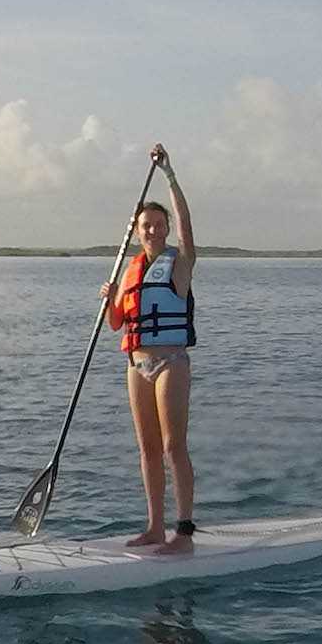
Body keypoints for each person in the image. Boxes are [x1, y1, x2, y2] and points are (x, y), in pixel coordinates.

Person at [101, 144, 198, 555]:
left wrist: (169, 174)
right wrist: (109, 300)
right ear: (137, 230)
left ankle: (184, 532)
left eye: (159, 225)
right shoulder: (130, 269)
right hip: (136, 365)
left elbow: (186, 223)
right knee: (147, 448)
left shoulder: (180, 262)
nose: (154, 230)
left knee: (174, 445)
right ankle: (155, 528)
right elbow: (117, 324)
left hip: (170, 362)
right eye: (146, 226)